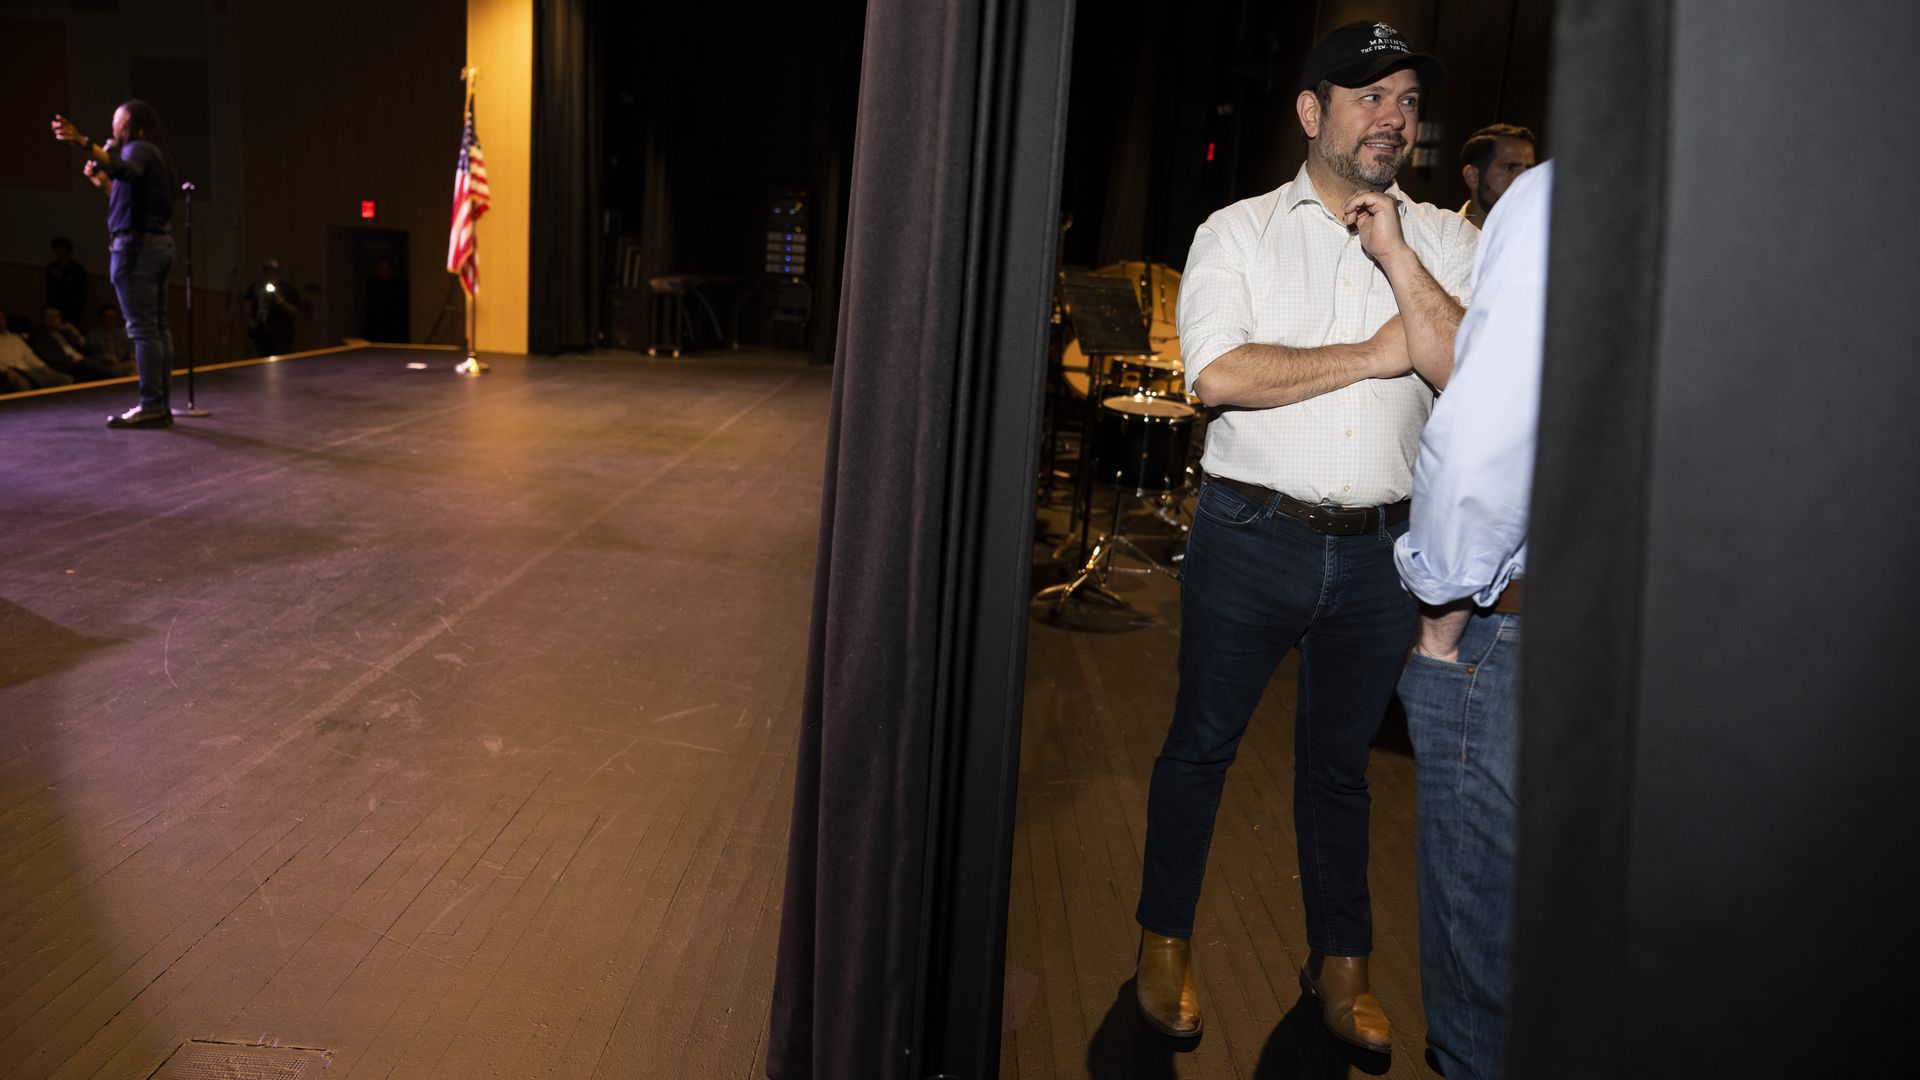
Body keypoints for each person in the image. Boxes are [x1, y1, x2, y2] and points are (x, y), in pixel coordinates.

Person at [1134, 20, 1478, 1048]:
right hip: (1251, 536)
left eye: (1408, 100)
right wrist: (1379, 354)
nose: (1394, 118)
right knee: (1201, 747)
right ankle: (1163, 944)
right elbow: (1218, 376)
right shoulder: (1234, 232)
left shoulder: (1451, 242)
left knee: (1341, 771)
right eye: (1369, 94)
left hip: (1384, 553)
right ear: (1311, 111)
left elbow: (1463, 367)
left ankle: (1341, 964)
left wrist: (1396, 254)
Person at [1393, 161, 1550, 1080]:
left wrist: (1441, 618)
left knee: (1483, 967)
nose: (1394, 117)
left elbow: (1490, 420)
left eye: (1406, 99)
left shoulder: (1563, 197)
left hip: (1527, 629)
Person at [50, 100, 177, 427]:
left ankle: (151, 406)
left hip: (137, 250)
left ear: (135, 126)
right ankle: (159, 404)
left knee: (144, 331)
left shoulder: (139, 149)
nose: (114, 131)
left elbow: (126, 169)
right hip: (157, 245)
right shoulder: (152, 154)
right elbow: (130, 197)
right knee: (157, 329)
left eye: (118, 124)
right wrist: (102, 183)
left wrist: (83, 143)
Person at [1457, 124, 1536, 229]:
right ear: (1473, 176)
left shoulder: (1539, 240)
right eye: (1509, 168)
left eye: (1529, 170)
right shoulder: (1437, 239)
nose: (1524, 180)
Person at [29, 305, 121, 382]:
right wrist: (73, 358)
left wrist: (76, 333)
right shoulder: (38, 336)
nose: (53, 320)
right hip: (63, 365)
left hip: (82, 361)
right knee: (87, 363)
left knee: (100, 359)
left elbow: (86, 350)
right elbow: (50, 357)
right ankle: (118, 372)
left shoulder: (66, 334)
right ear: (41, 319)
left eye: (56, 316)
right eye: (49, 317)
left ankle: (118, 371)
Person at [0, 306, 75, 393]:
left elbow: (29, 355)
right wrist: (5, 371)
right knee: (22, 384)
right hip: (8, 373)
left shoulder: (14, 338)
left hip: (27, 369)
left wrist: (42, 366)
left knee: (64, 379)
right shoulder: (38, 336)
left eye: (1, 318)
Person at [246, 259, 304, 356]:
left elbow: (297, 311)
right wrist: (249, 319)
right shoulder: (256, 286)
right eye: (267, 271)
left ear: (279, 273)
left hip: (281, 336)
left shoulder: (287, 290)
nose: (270, 274)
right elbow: (248, 302)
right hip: (261, 334)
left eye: (273, 271)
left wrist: (283, 303)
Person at [47, 237, 89, 327]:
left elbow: (80, 291)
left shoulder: (77, 269)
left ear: (68, 250)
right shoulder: (52, 267)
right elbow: (49, 289)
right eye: (56, 248)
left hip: (72, 308)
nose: (59, 251)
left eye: (61, 248)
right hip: (55, 305)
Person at [86, 303, 135, 373]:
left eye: (112, 317)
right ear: (101, 318)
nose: (109, 321)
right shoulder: (93, 336)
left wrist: (131, 356)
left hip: (122, 363)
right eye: (106, 317)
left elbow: (130, 351)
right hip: (104, 367)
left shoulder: (122, 334)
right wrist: (105, 358)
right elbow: (91, 357)